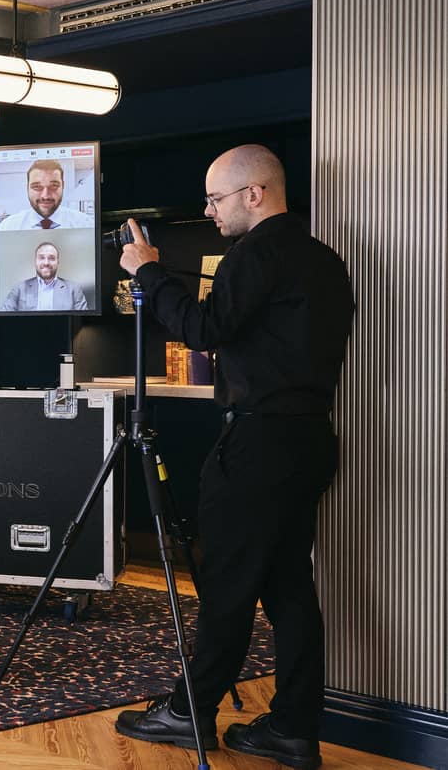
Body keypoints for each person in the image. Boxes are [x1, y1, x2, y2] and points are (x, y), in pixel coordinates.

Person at [113, 145, 353, 769]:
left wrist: (148, 272)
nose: (209, 209)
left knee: (227, 583)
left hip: (258, 444)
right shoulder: (324, 262)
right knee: (289, 587)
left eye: (216, 198)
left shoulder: (255, 255)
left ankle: (188, 714)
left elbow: (203, 330)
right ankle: (294, 729)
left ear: (256, 194)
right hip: (310, 440)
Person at [0, 159, 93, 230]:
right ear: (27, 188)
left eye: (54, 186)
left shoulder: (85, 224)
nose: (45, 196)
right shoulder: (8, 227)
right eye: (37, 187)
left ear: (63, 185)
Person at [2, 241, 89, 311]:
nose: (46, 263)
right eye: (41, 258)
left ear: (58, 262)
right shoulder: (19, 288)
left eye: (51, 258)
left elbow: (83, 321)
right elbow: (3, 317)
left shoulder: (74, 289)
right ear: (35, 261)